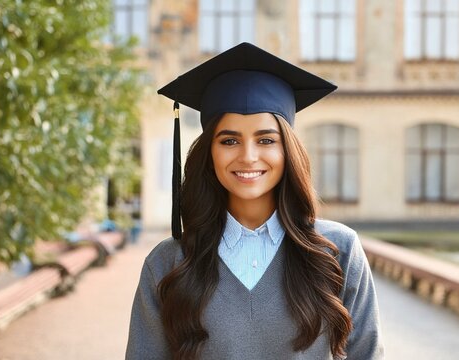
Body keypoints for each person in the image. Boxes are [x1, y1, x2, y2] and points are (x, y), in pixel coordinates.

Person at [126, 42, 383, 360]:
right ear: (209, 153)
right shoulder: (169, 263)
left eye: (266, 140)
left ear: (287, 150)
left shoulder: (336, 252)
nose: (248, 157)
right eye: (230, 140)